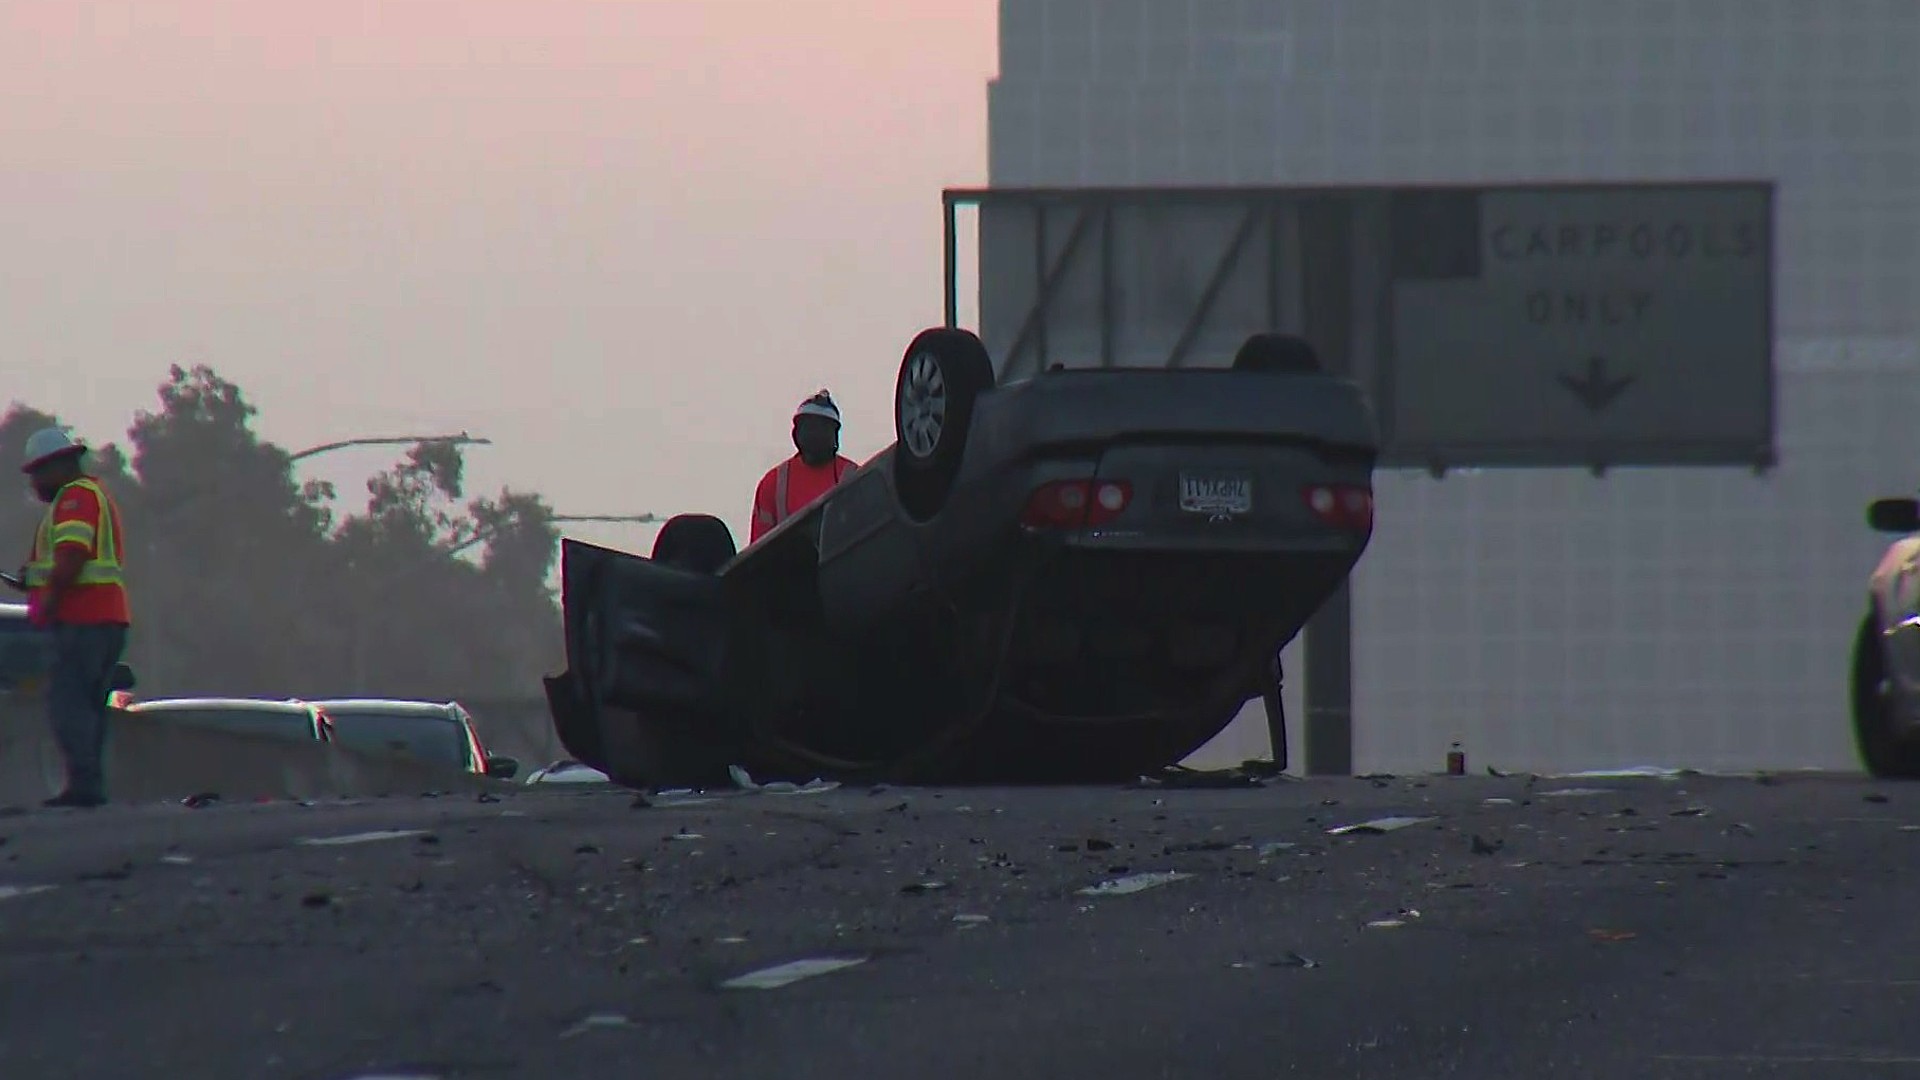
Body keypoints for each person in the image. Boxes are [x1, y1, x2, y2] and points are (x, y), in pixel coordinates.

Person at [5, 427, 131, 808]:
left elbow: (73, 557)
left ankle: (85, 787)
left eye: (38, 474)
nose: (35, 484)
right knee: (89, 706)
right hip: (105, 619)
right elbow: (64, 560)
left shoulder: (75, 498)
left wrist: (51, 598)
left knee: (68, 703)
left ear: (58, 465)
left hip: (85, 619)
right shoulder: (89, 496)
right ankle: (89, 785)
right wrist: (35, 578)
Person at [751, 390, 858, 543]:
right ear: (796, 433)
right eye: (809, 427)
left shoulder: (854, 478)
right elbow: (757, 550)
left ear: (834, 434)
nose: (815, 433)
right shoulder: (772, 484)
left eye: (822, 427)